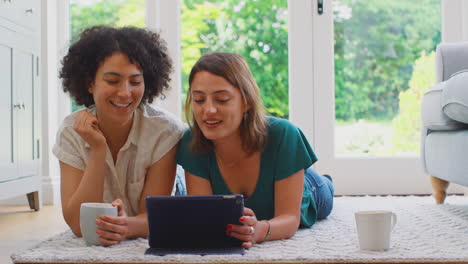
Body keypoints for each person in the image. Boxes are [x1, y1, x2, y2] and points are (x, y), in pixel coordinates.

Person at [176, 52, 334, 249]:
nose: (208, 110)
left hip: (310, 190)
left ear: (247, 102)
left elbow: (290, 219)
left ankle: (326, 180)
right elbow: (206, 216)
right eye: (199, 100)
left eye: (222, 100)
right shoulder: (192, 141)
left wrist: (260, 230)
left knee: (325, 194)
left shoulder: (284, 134)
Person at [53, 26, 185, 246]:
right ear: (89, 82)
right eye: (113, 81)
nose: (125, 93)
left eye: (135, 82)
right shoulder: (71, 132)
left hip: (175, 206)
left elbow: (154, 217)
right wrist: (97, 151)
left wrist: (125, 227)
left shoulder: (165, 131)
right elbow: (78, 226)